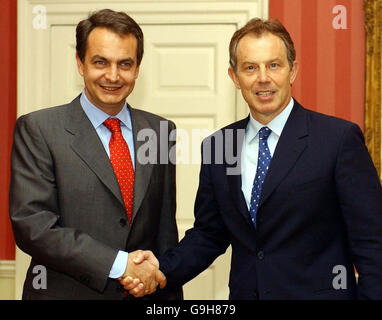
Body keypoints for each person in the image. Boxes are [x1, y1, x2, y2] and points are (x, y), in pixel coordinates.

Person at [122, 18, 382, 299]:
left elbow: (373, 243)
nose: (263, 78)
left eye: (274, 65)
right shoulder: (220, 146)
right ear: (235, 77)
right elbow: (209, 234)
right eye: (250, 67)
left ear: (292, 71)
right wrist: (160, 269)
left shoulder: (337, 140)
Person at [9, 8, 182, 300]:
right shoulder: (38, 129)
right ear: (80, 63)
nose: (113, 76)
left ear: (138, 67)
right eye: (101, 62)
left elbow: (165, 231)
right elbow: (33, 225)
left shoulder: (160, 131)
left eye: (125, 64)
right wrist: (119, 264)